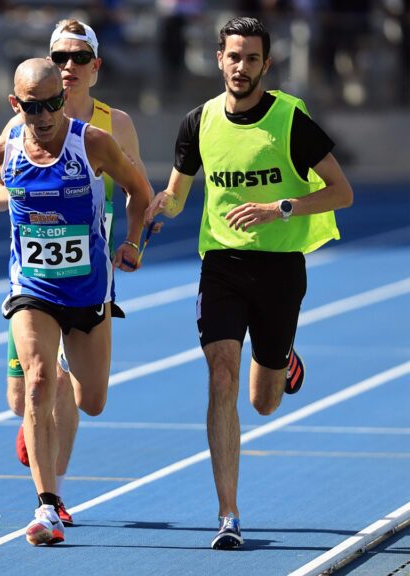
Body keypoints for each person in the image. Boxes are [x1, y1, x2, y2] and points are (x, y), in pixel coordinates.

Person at [145, 17, 353, 550]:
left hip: (281, 267)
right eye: (233, 56)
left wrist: (279, 208)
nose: (241, 67)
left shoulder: (289, 120)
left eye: (252, 58)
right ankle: (228, 514)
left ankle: (283, 361)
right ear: (219, 59)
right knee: (221, 376)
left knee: (263, 401)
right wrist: (149, 210)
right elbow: (176, 194)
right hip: (222, 264)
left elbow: (341, 191)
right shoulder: (198, 122)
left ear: (267, 64)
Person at [0, 58, 151, 546]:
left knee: (92, 401)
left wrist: (132, 243)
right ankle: (47, 508)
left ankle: (64, 374)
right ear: (16, 104)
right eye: (33, 106)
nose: (44, 114)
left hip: (88, 289)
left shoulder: (91, 142)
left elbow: (139, 190)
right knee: (38, 380)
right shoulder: (3, 147)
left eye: (52, 103)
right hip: (33, 287)